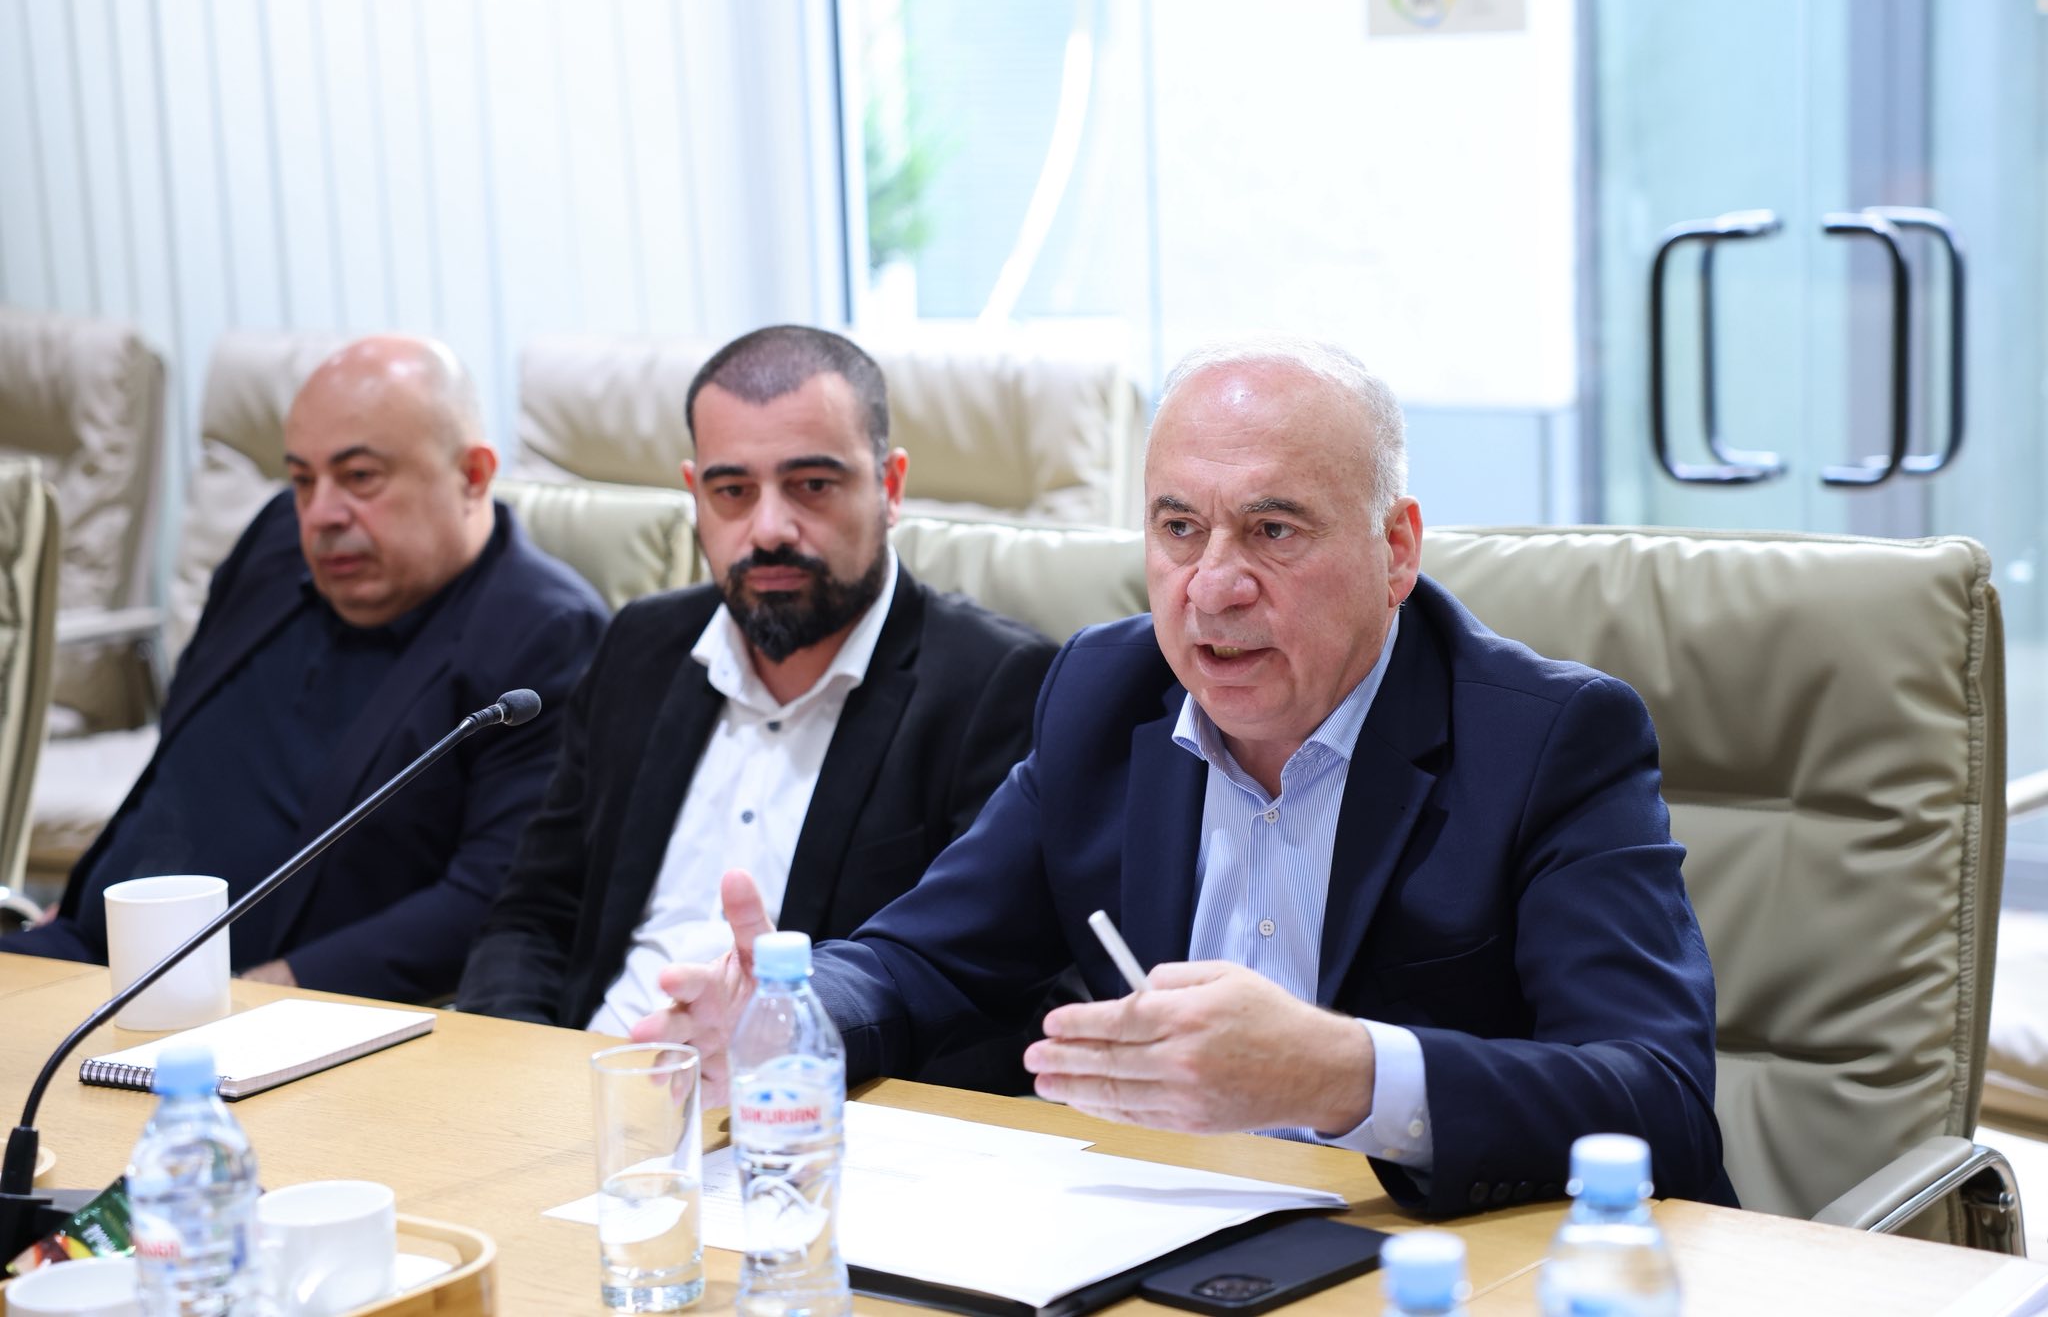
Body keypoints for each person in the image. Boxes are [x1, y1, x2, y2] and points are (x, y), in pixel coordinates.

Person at [631, 336, 1738, 1216]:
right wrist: (792, 1014)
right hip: (1172, 1238)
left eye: (1272, 529)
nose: (1212, 586)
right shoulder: (1103, 694)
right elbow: (925, 957)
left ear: (1396, 548)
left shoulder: (1550, 739)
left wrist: (1342, 1074)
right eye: (1178, 528)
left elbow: (1661, 1104)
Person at [457, 325, 1057, 1079]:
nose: (769, 530)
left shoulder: (998, 684)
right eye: (733, 491)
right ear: (695, 495)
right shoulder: (641, 646)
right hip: (594, 1086)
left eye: (812, 485)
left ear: (891, 487)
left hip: (808, 1107)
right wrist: (517, 1071)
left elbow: (987, 987)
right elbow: (534, 913)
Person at [3, 336, 608, 1004]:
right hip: (90, 955)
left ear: (472, 475)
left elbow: (493, 899)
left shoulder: (544, 634)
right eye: (302, 479)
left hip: (264, 1007)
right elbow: (181, 757)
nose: (320, 515)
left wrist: (270, 992)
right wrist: (83, 909)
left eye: (360, 477)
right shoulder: (276, 543)